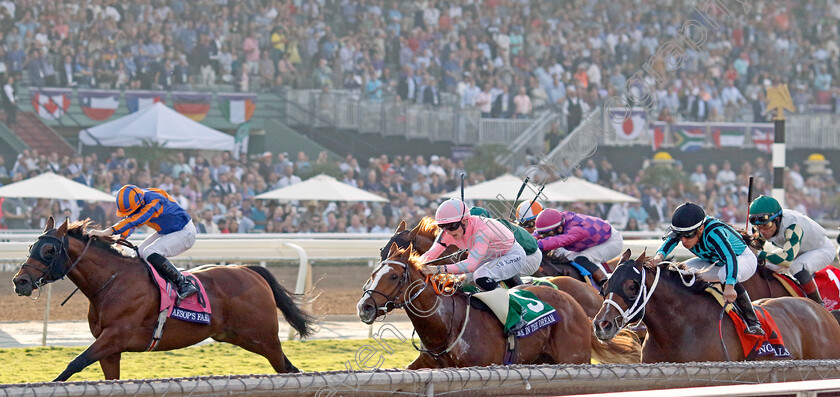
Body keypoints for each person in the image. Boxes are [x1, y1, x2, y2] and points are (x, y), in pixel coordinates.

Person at [650, 202, 763, 335]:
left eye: (688, 235)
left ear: (701, 229)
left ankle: (753, 322)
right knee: (681, 272)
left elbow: (730, 258)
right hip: (714, 262)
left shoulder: (714, 233)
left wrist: (729, 286)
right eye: (681, 235)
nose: (684, 241)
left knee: (724, 274)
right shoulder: (686, 230)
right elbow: (669, 242)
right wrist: (658, 257)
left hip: (742, 259)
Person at [418, 198, 530, 331]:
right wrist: (414, 265)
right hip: (488, 256)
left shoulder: (481, 230)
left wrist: (437, 269)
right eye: (443, 227)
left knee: (480, 276)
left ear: (465, 221)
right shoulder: (448, 232)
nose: (448, 232)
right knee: (460, 281)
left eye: (452, 226)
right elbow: (431, 254)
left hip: (511, 255)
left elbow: (470, 265)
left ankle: (514, 317)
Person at [89, 185, 199, 300]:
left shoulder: (155, 201)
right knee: (136, 255)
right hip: (167, 230)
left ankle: (183, 284)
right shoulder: (139, 199)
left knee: (149, 252)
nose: (133, 212)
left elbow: (136, 220)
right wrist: (121, 239)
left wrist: (107, 232)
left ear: (140, 202)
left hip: (185, 232)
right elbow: (132, 218)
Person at [748, 195, 835, 306]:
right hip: (795, 250)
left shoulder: (792, 226)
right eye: (757, 227)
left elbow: (787, 260)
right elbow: (756, 248)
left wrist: (758, 253)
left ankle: (818, 305)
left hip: (821, 249)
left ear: (777, 219)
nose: (762, 231)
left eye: (766, 225)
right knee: (766, 265)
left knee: (796, 266)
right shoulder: (761, 228)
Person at [533, 208, 621, 288]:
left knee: (581, 259)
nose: (544, 237)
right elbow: (538, 235)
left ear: (559, 228)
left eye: (549, 234)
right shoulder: (558, 222)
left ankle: (606, 285)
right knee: (568, 259)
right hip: (595, 241)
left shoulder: (576, 230)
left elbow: (559, 240)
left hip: (611, 241)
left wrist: (534, 244)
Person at [470, 206, 541, 279]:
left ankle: (515, 288)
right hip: (525, 252)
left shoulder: (493, 228)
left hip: (531, 256)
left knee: (495, 271)